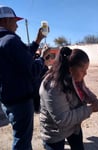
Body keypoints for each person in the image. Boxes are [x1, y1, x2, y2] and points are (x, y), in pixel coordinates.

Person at [39, 47, 98, 150]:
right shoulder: (52, 86)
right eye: (83, 70)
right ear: (70, 67)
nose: (85, 73)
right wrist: (91, 108)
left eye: (86, 70)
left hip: (73, 126)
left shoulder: (73, 77)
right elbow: (63, 119)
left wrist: (97, 101)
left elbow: (85, 91)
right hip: (55, 131)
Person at [0, 5, 46, 150]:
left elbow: (22, 58)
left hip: (7, 98)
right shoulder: (10, 41)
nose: (17, 25)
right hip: (20, 100)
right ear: (6, 21)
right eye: (15, 21)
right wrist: (43, 60)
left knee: (19, 136)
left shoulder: (4, 41)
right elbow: (32, 69)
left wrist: (37, 41)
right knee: (22, 140)